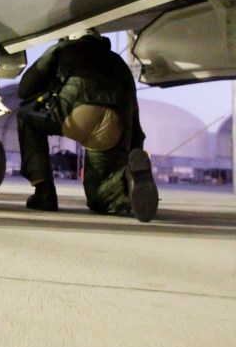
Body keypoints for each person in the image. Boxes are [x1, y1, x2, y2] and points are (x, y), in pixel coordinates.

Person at [17, 28, 159, 222]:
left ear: (70, 36)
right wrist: (133, 152)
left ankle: (44, 192)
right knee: (102, 197)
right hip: (114, 127)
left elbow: (24, 89)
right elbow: (134, 120)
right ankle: (126, 183)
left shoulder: (62, 48)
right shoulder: (119, 63)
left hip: (76, 114)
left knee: (26, 117)